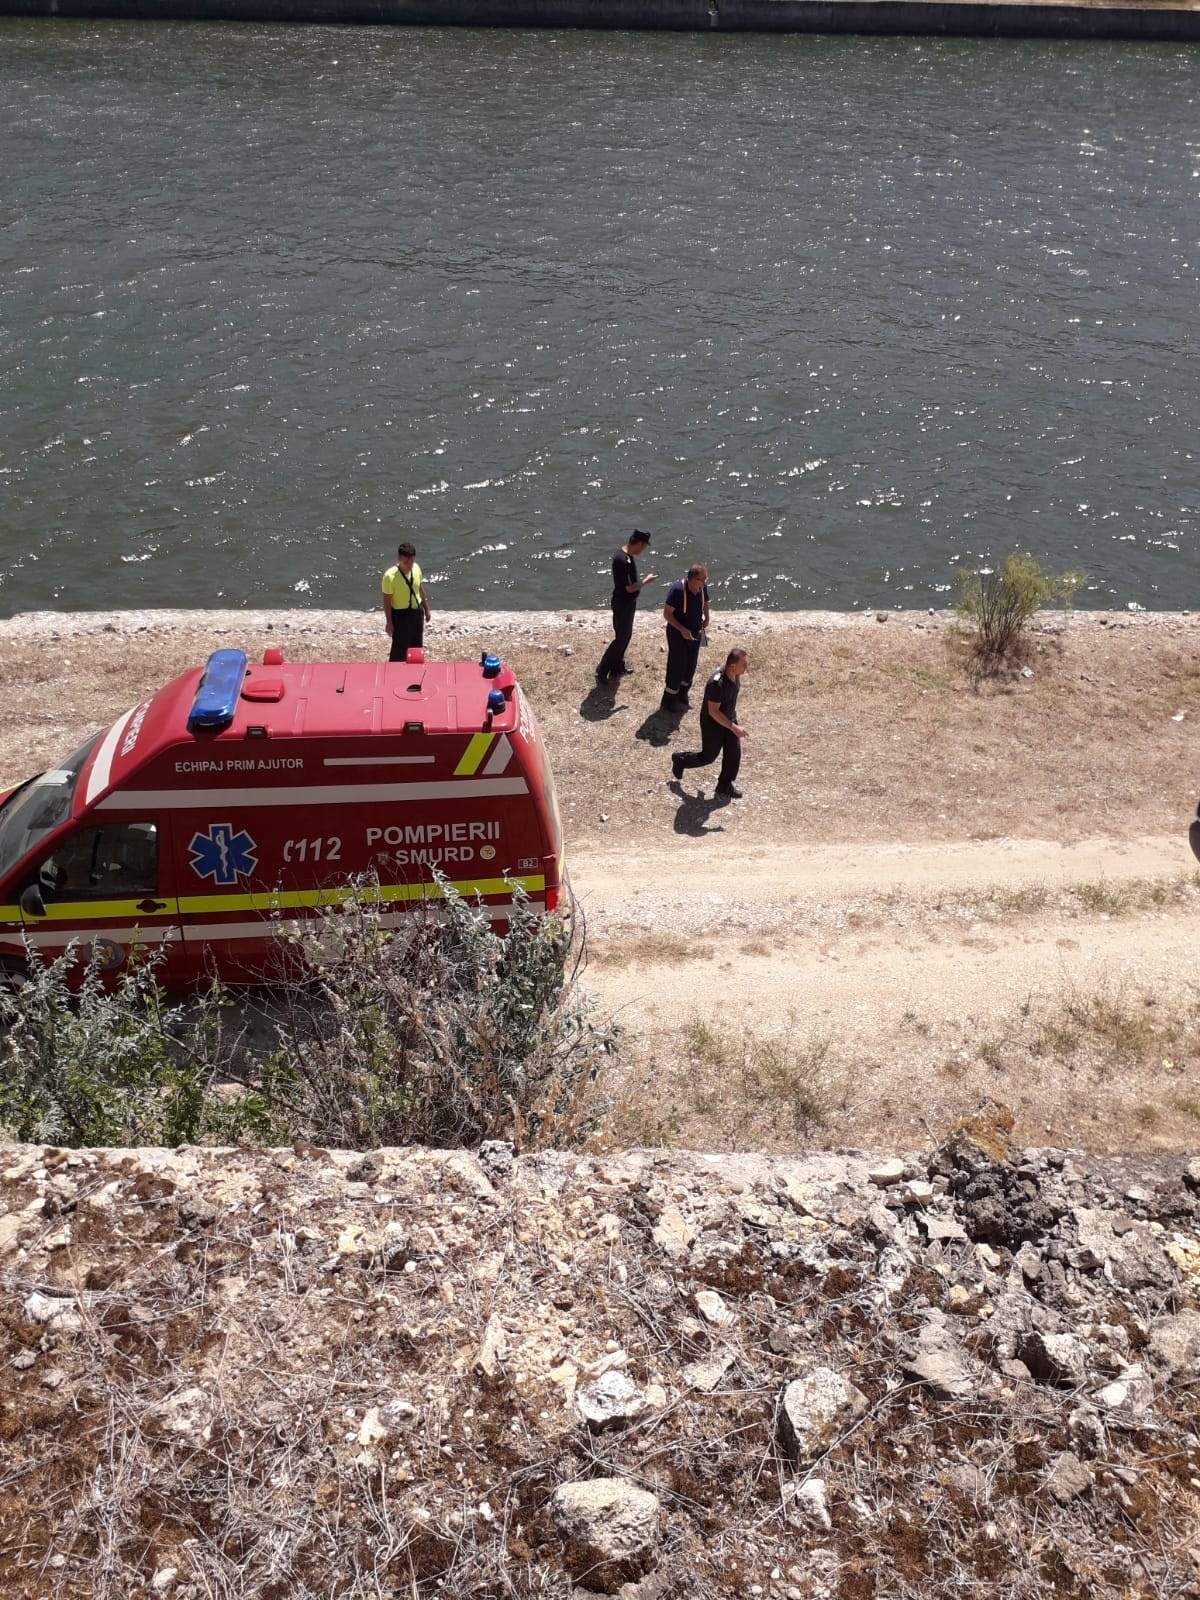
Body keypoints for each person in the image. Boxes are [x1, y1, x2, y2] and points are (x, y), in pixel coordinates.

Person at [671, 648, 749, 800]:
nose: (746, 667)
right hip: (712, 723)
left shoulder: (735, 674)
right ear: (733, 666)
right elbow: (713, 712)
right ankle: (680, 760)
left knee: (734, 753)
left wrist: (732, 724)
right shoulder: (717, 684)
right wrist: (734, 727)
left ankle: (724, 785)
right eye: (744, 664)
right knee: (708, 757)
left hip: (728, 717)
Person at [596, 530, 656, 684]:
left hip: (628, 603)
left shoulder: (628, 557)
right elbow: (628, 588)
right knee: (621, 637)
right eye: (643, 547)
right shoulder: (621, 560)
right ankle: (603, 669)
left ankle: (617, 666)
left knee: (625, 635)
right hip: (622, 604)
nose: (642, 551)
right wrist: (645, 581)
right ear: (639, 544)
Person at [661, 563, 710, 711]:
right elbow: (667, 613)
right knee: (677, 665)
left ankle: (683, 693)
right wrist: (682, 629)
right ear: (694, 579)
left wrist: (707, 616)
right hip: (677, 633)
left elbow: (705, 602)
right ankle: (669, 700)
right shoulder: (677, 590)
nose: (705, 582)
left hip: (695, 632)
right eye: (703, 579)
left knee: (690, 665)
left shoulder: (702, 589)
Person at [382, 542, 432, 663]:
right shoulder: (389, 577)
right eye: (406, 562)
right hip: (400, 615)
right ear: (399, 559)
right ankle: (394, 674)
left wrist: (426, 608)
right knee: (399, 649)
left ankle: (415, 672)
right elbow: (387, 601)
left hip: (416, 613)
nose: (409, 565)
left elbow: (419, 589)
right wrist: (389, 622)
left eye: (411, 562)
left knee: (416, 646)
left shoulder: (416, 569)